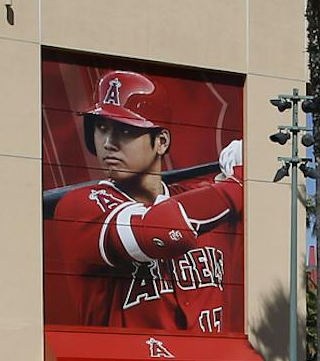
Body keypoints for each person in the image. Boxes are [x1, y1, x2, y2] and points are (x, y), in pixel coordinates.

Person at [47, 69, 241, 332]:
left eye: (125, 130)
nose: (109, 143)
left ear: (161, 142)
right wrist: (239, 182)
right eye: (102, 128)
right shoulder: (79, 206)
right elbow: (164, 231)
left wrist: (254, 168)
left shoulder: (203, 198)